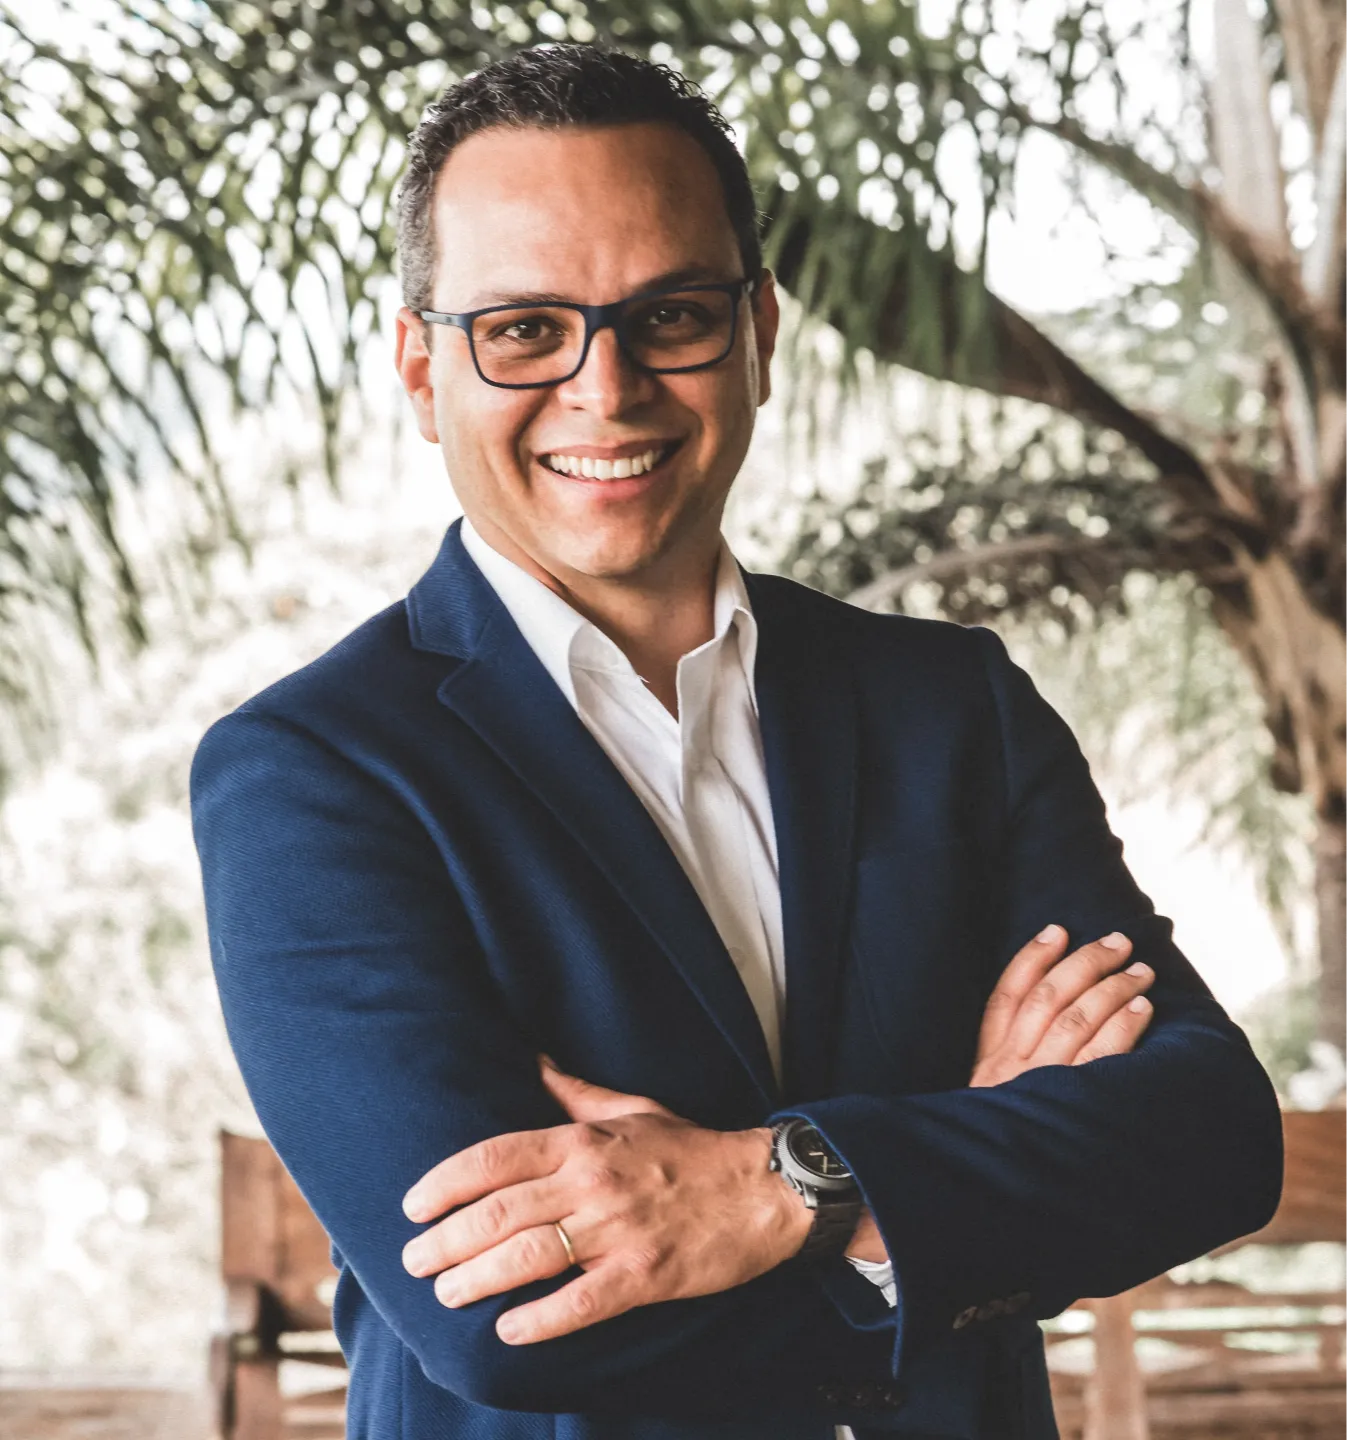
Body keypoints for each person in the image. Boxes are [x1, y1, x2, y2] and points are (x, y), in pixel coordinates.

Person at [190, 43, 1283, 1440]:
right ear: (422, 367)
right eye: (524, 329)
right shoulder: (309, 773)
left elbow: (1208, 1136)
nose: (606, 387)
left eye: (671, 315)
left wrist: (775, 1184)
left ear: (758, 331)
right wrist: (955, 1169)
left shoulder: (952, 706)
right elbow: (505, 1315)